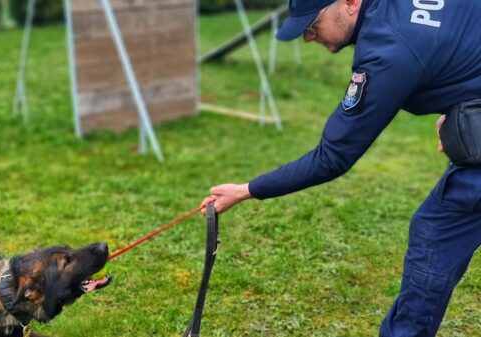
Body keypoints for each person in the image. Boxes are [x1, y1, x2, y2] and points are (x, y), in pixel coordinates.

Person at [201, 0, 481, 336]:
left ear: (349, 3)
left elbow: (332, 157)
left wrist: (247, 189)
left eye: (311, 25)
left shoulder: (388, 48)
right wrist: (465, 98)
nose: (308, 37)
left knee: (436, 235)